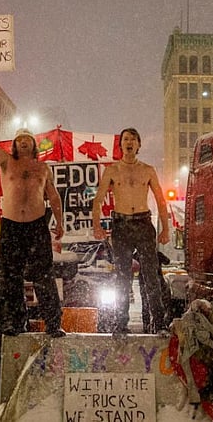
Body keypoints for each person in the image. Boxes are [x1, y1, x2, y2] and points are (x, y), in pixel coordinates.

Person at [0, 108, 66, 338]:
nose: (24, 143)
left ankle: (53, 324)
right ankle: (17, 322)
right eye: (20, 140)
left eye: (28, 140)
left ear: (34, 145)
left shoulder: (43, 168)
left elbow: (53, 196)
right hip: (11, 226)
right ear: (14, 145)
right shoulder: (6, 162)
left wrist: (60, 222)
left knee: (43, 276)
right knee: (11, 277)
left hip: (36, 226)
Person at [92, 128, 170, 335]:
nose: (129, 143)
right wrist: (96, 225)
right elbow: (99, 199)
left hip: (143, 223)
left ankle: (159, 323)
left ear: (138, 145)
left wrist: (166, 229)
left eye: (133, 139)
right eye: (126, 139)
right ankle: (121, 323)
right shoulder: (112, 170)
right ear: (120, 145)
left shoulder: (148, 170)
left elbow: (161, 201)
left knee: (152, 275)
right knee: (122, 276)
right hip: (121, 225)